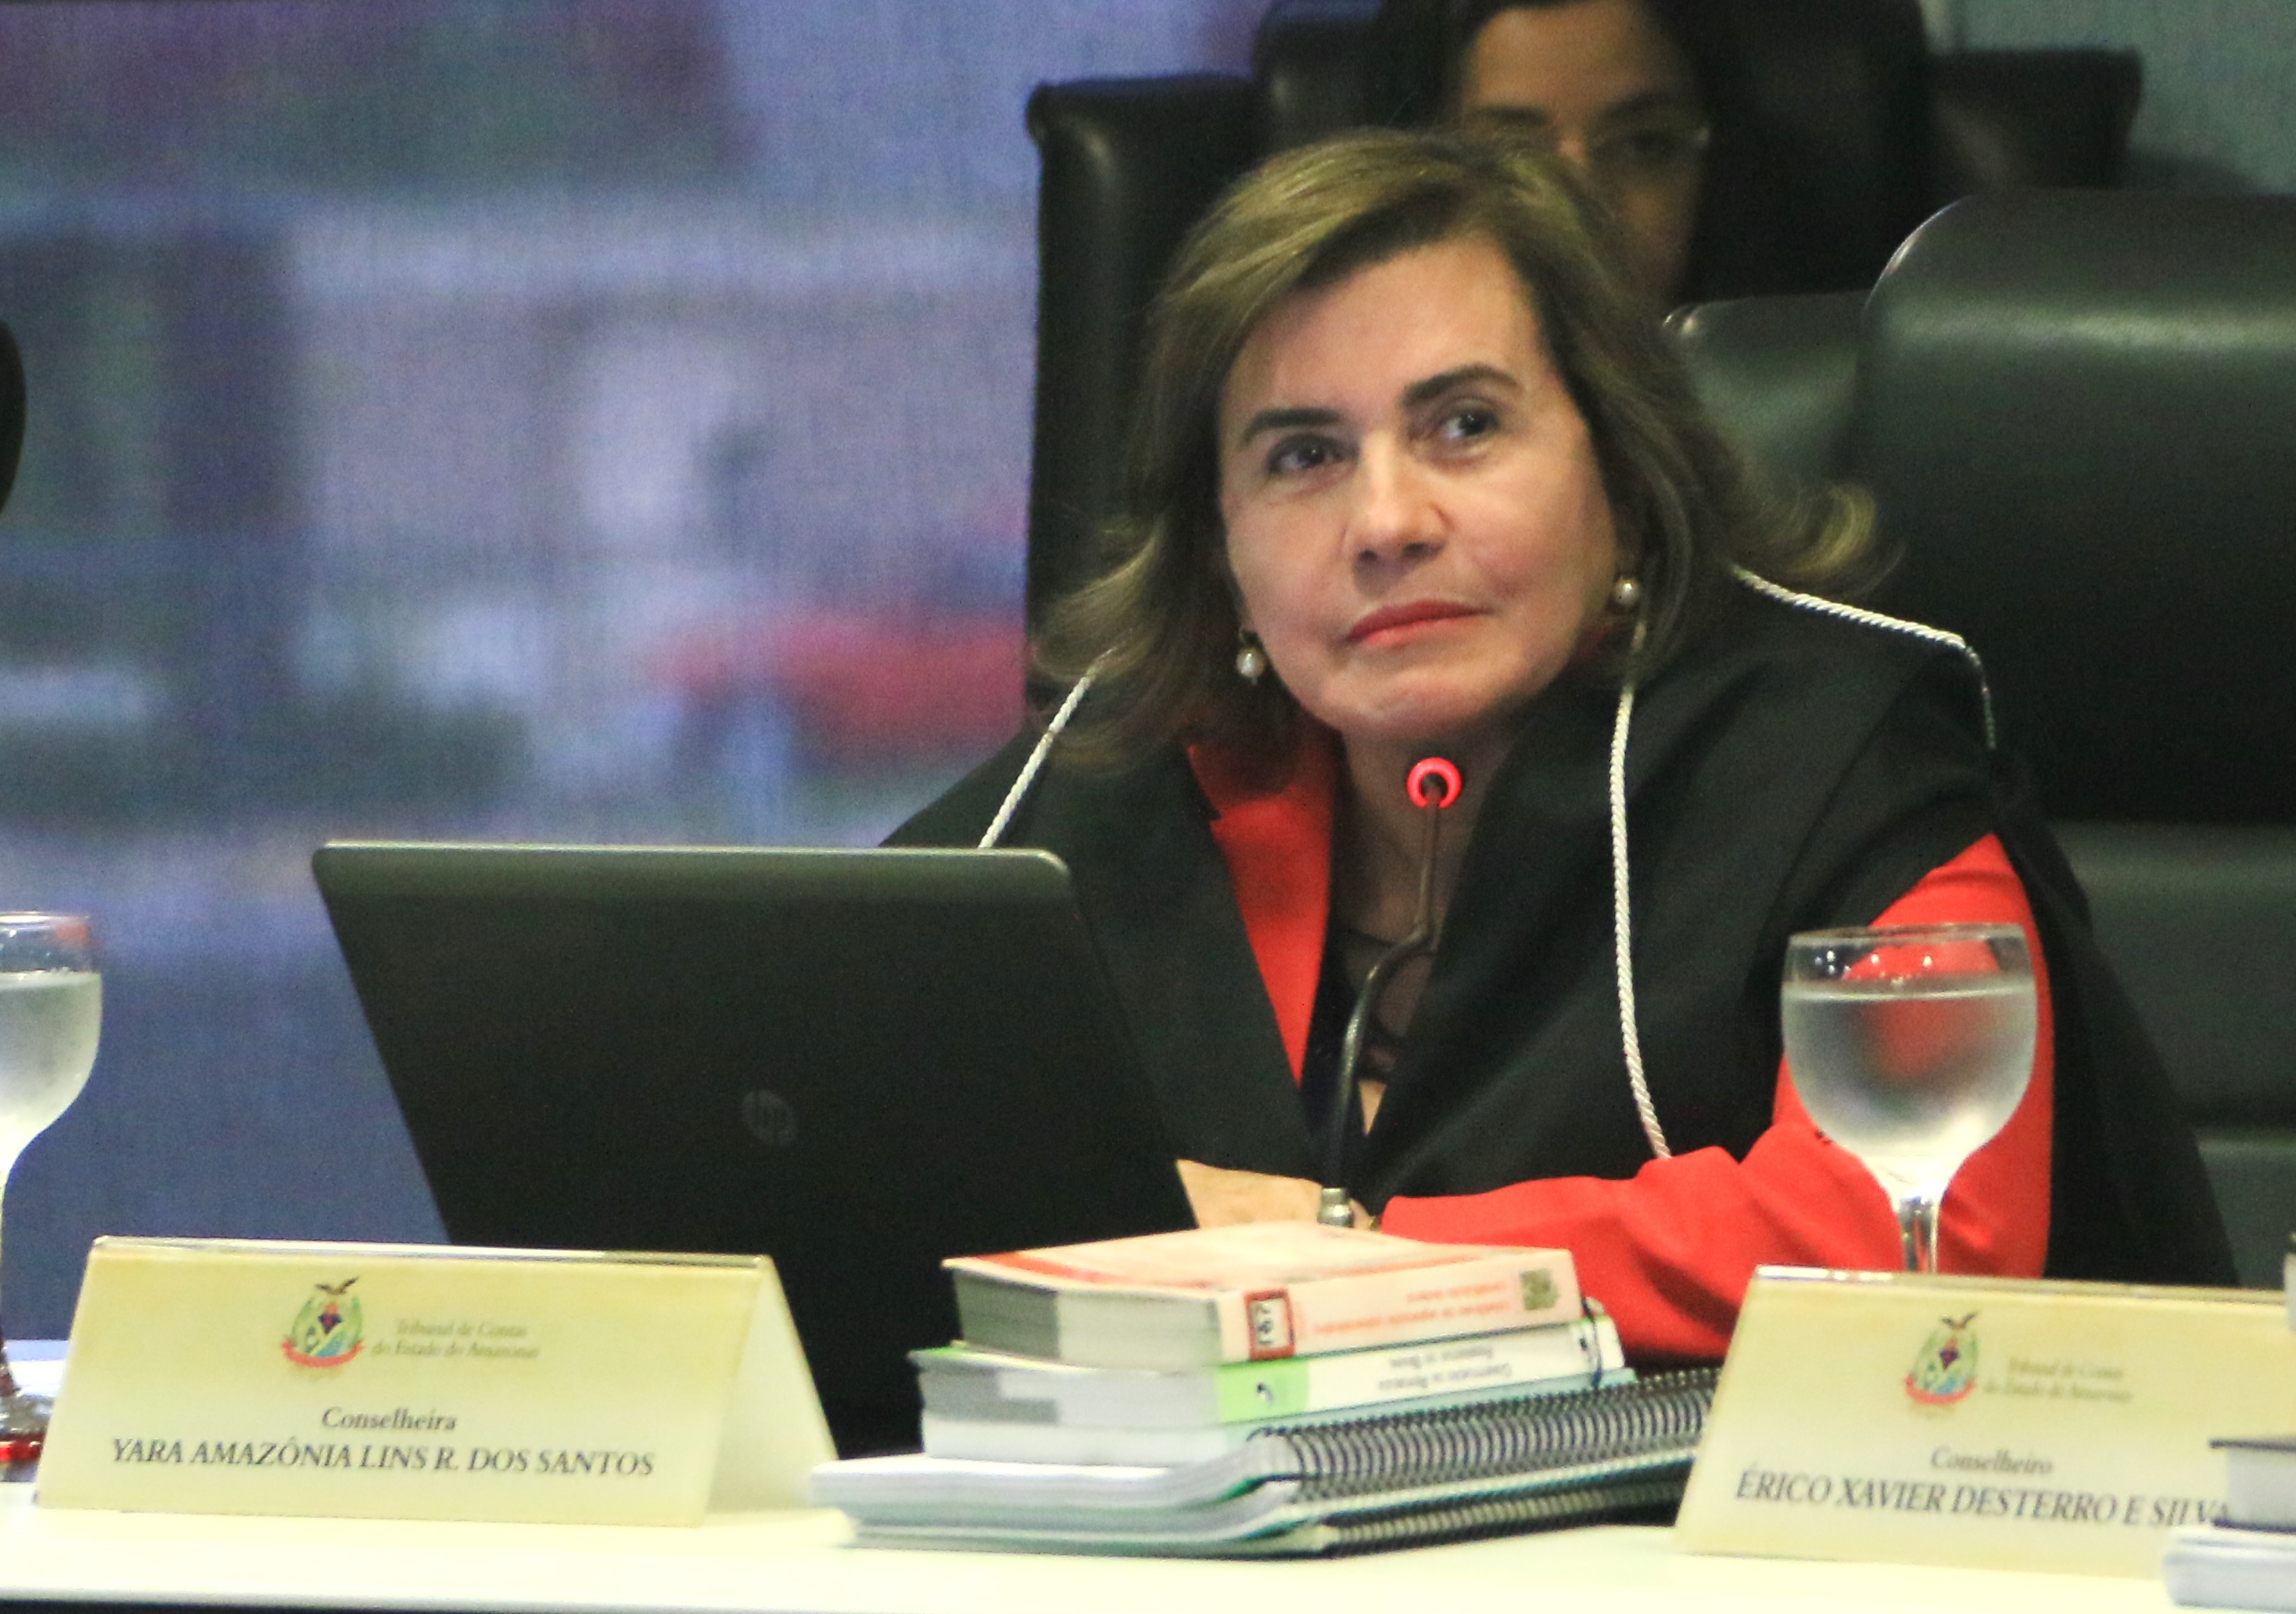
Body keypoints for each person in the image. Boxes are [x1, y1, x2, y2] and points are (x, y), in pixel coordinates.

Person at [890, 129, 2230, 1362]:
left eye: (1463, 427)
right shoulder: (1120, 777)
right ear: (1219, 547)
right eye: (1301, 456)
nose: (1386, 522)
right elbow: (833, 1121)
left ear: (1621, 472)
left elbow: (1913, 1232)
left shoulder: (1838, 756)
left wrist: (1339, 1254)